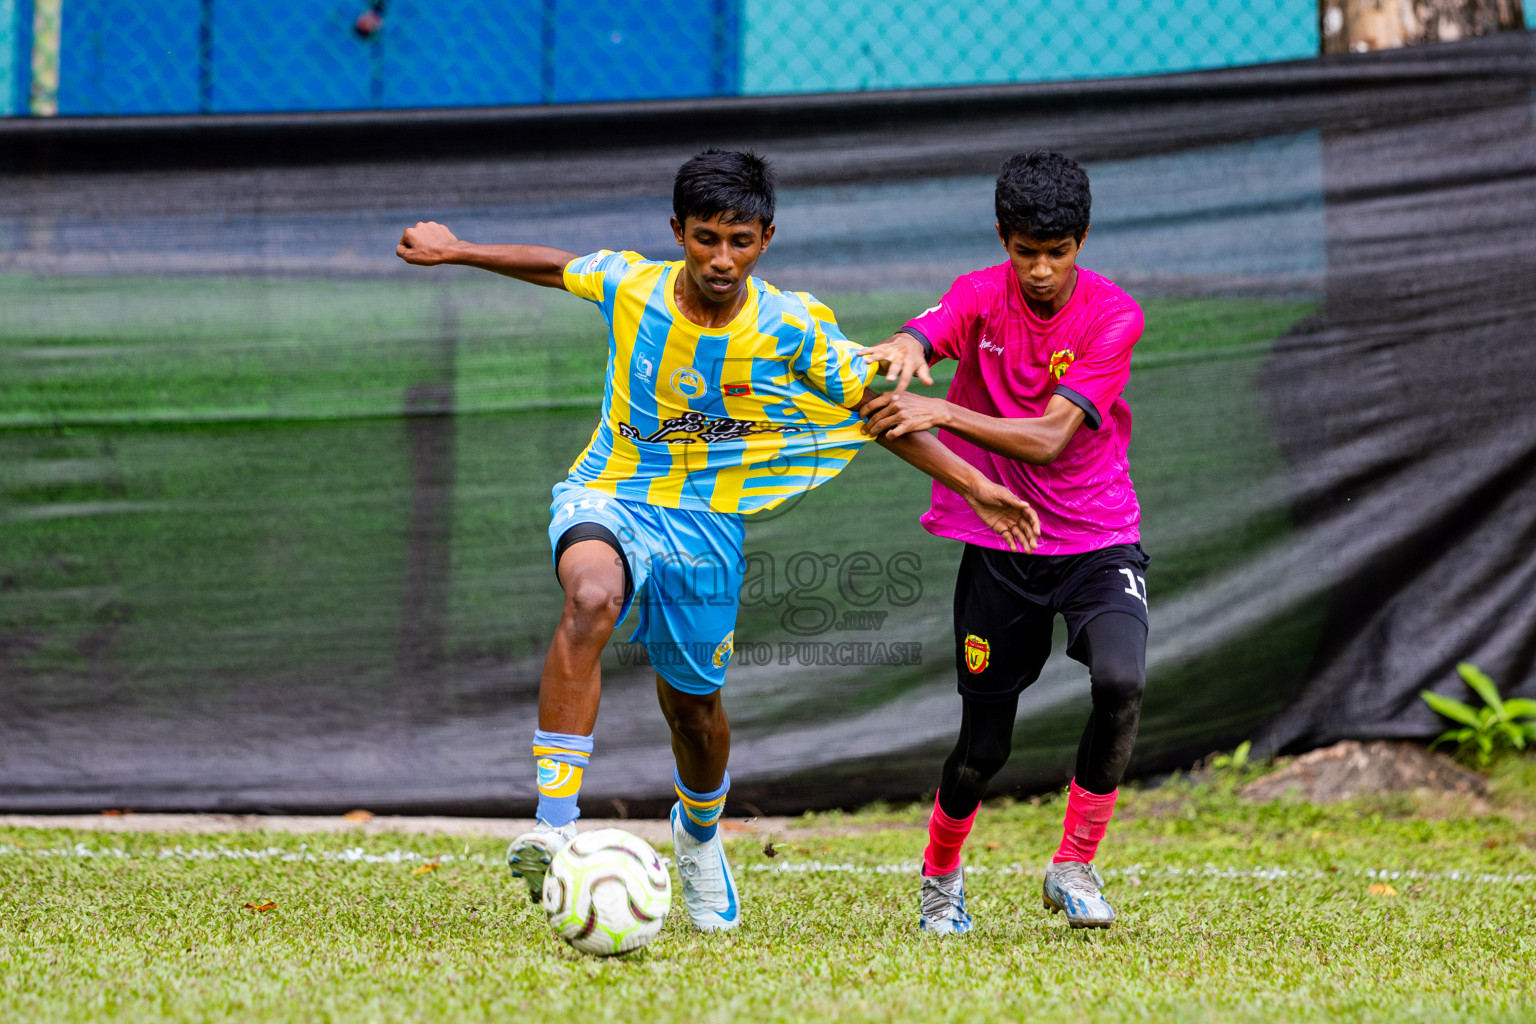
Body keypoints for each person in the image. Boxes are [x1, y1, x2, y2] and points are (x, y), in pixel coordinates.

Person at [396, 149, 1039, 933]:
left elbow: (879, 410)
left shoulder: (789, 326)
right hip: (612, 493)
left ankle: (698, 835)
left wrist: (975, 484)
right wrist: (456, 249)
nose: (721, 258)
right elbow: (561, 266)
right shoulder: (634, 286)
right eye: (705, 238)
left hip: (705, 528)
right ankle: (555, 827)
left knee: (694, 713)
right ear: (678, 232)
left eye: (740, 240)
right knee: (591, 595)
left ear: (766, 237)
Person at [859, 151, 1148, 933]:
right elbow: (925, 333)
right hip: (999, 546)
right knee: (983, 749)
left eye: (1058, 253)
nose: (1043, 270)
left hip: (1096, 538)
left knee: (1120, 682)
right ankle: (941, 881)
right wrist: (906, 349)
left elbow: (1053, 437)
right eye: (1027, 253)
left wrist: (943, 414)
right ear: (1003, 239)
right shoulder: (981, 295)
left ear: (1081, 241)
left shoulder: (1114, 316)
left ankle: (1075, 865)